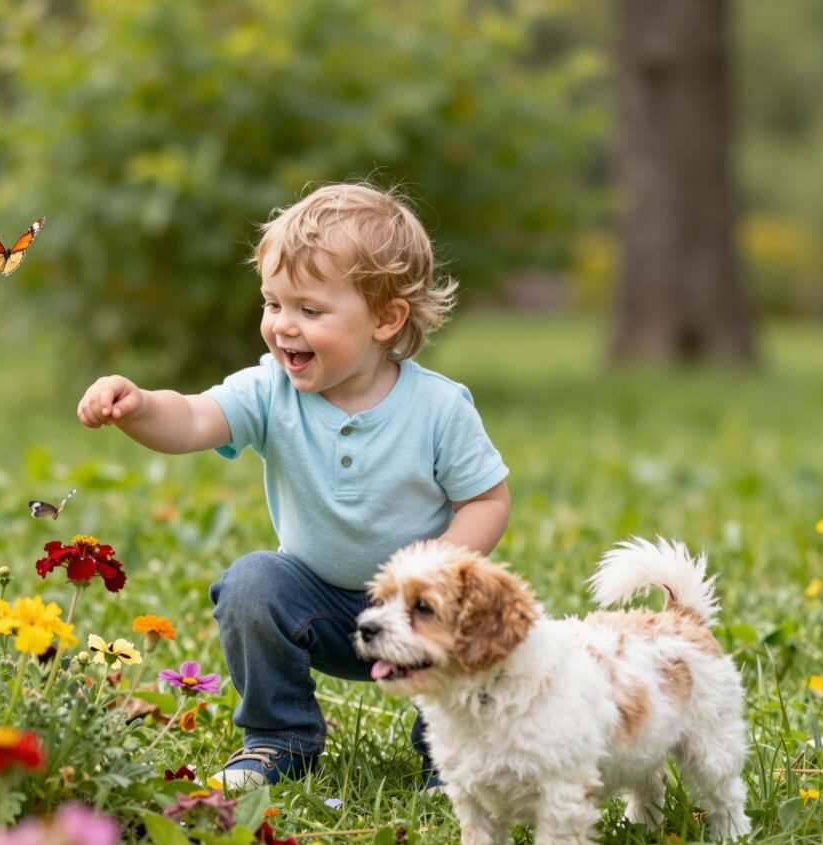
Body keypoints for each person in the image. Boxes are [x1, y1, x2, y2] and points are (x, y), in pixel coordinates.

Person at [77, 182, 510, 788]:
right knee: (253, 582)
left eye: (309, 310)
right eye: (272, 304)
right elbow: (196, 418)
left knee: (487, 615)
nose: (283, 326)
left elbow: (486, 499)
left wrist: (439, 568)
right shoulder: (270, 389)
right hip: (319, 604)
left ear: (387, 319)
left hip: (419, 612)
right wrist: (142, 404)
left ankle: (450, 756)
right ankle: (280, 737)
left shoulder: (438, 408)